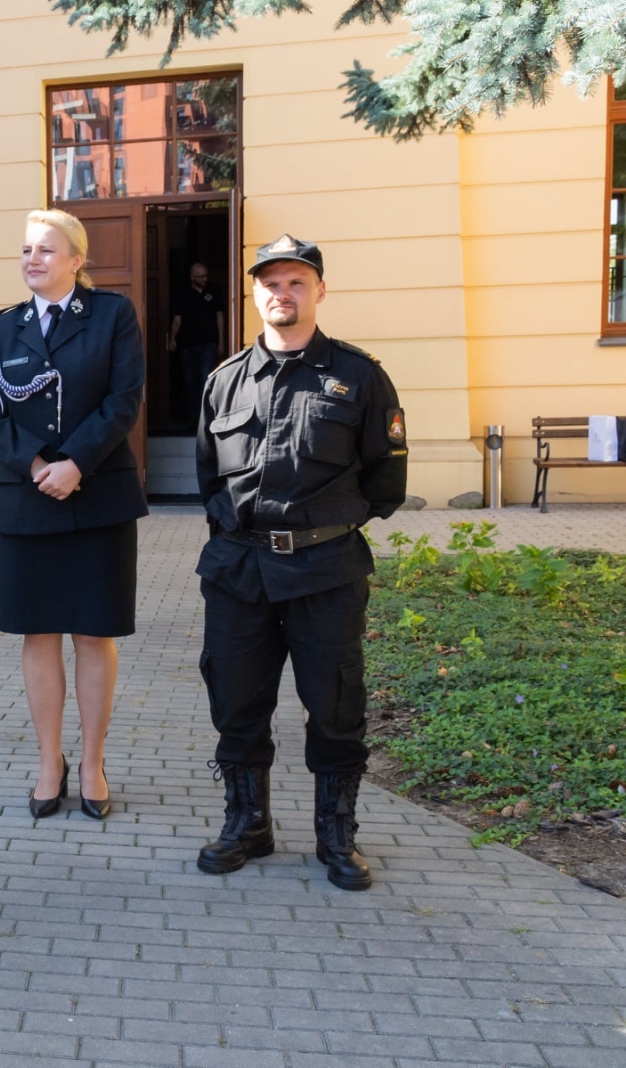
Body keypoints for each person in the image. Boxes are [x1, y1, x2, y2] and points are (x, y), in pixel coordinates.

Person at [194, 234, 408, 891]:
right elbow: (208, 477)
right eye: (270, 283)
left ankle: (335, 835)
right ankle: (247, 823)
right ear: (254, 292)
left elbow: (386, 481)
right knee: (236, 704)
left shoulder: (359, 375)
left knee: (336, 705)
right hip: (239, 574)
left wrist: (324, 531)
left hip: (326, 573)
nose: (281, 293)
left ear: (318, 290)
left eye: (295, 282)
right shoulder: (223, 379)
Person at [0, 208, 147, 823]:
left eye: (46, 250)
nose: (33, 260)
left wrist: (74, 462)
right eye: (26, 250)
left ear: (77, 258)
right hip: (27, 498)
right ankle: (51, 762)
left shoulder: (111, 317)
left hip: (97, 495)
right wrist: (38, 464)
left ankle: (93, 762)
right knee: (38, 632)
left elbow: (124, 399)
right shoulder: (2, 329)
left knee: (93, 633)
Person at [168, 261, 227, 429]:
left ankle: (207, 418)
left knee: (206, 379)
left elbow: (220, 317)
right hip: (188, 344)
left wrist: (222, 341)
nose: (205, 279)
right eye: (200, 276)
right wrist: (172, 338)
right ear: (192, 277)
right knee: (190, 381)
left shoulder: (214, 290)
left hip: (209, 342)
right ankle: (194, 418)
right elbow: (177, 319)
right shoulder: (183, 293)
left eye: (206, 275)